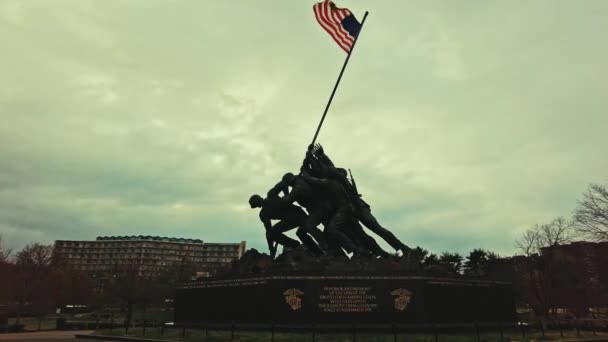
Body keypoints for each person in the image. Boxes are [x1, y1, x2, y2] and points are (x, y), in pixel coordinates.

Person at [310, 144, 411, 254]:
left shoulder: (338, 177)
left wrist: (315, 157)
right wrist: (318, 157)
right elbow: (324, 169)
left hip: (358, 206)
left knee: (377, 228)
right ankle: (378, 253)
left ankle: (403, 248)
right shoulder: (333, 179)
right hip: (350, 209)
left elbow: (327, 168)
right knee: (361, 235)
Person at [249, 190, 323, 258]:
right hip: (296, 216)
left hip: (299, 216)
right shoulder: (265, 211)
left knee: (301, 233)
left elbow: (269, 232)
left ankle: (297, 246)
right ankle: (301, 247)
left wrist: (271, 247)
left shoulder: (265, 209)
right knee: (300, 233)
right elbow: (269, 231)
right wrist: (271, 247)